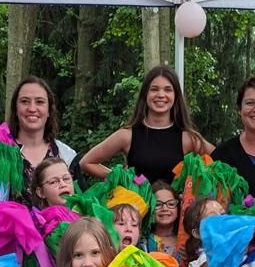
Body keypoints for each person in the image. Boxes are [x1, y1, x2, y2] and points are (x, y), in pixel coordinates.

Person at [80, 66, 212, 184]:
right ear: (145, 94)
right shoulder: (126, 135)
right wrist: (120, 177)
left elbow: (222, 161)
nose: (161, 95)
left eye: (168, 90)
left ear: (176, 96)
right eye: (154, 89)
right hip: (137, 208)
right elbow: (86, 163)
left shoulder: (188, 138)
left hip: (174, 209)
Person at [7, 77, 77, 205]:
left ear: (49, 110)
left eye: (39, 102)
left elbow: (80, 205)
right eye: (24, 101)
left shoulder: (67, 156)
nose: (32, 108)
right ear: (15, 109)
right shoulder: (0, 154)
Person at [146, 181, 180, 258]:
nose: (164, 208)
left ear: (178, 210)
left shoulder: (187, 242)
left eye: (171, 204)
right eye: (158, 204)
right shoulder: (142, 242)